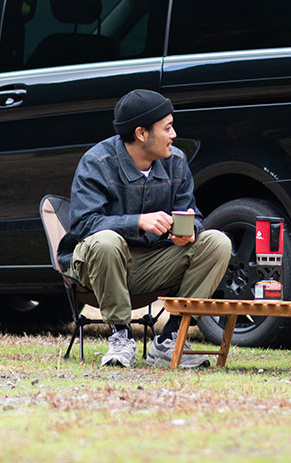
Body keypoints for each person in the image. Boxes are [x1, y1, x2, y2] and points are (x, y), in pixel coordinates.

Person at [64, 89, 231, 367]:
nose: (174, 134)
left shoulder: (176, 161)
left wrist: (190, 231)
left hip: (154, 264)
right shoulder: (97, 163)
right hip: (97, 266)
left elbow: (195, 217)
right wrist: (138, 221)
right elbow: (83, 226)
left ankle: (172, 340)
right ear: (141, 133)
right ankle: (120, 337)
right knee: (106, 241)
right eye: (167, 128)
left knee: (217, 241)